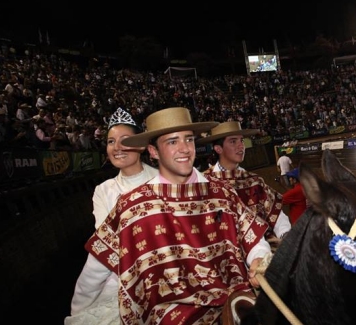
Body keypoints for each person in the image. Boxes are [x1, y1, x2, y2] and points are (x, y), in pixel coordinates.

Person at [84, 107, 272, 324]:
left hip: (231, 295)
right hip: (168, 312)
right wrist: (79, 309)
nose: (184, 149)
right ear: (154, 152)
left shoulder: (222, 192)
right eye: (173, 142)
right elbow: (95, 267)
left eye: (189, 140)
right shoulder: (132, 206)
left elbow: (253, 239)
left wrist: (258, 257)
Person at [66, 108, 158, 325]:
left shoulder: (163, 180)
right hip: (119, 277)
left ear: (142, 145)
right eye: (110, 141)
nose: (117, 148)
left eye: (125, 140)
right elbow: (108, 245)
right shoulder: (103, 191)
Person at [197, 121, 292, 239]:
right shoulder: (202, 183)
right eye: (233, 141)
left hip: (264, 248)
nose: (241, 145)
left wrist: (285, 234)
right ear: (218, 149)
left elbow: (277, 216)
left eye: (241, 140)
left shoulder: (255, 181)